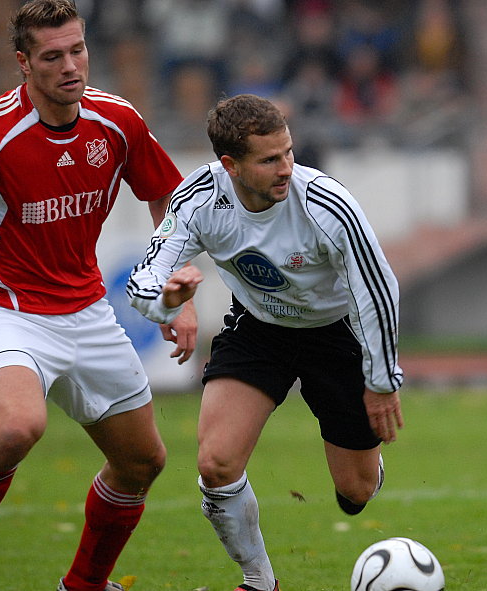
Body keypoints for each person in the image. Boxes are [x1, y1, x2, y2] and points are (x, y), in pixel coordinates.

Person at [127, 93, 404, 591]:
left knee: (355, 491)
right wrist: (168, 302)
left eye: (289, 153)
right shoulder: (197, 201)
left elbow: (378, 291)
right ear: (230, 165)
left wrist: (381, 382)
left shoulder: (328, 204)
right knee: (216, 463)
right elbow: (146, 278)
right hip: (258, 329)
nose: (287, 168)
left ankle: (367, 469)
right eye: (270, 159)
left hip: (334, 332)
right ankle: (260, 581)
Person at [0, 2, 197, 590]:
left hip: (88, 311)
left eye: (78, 50)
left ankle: (84, 587)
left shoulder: (117, 122)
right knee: (17, 427)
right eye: (52, 56)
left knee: (143, 462)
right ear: (23, 63)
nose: (71, 66)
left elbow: (170, 203)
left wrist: (177, 293)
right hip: (7, 311)